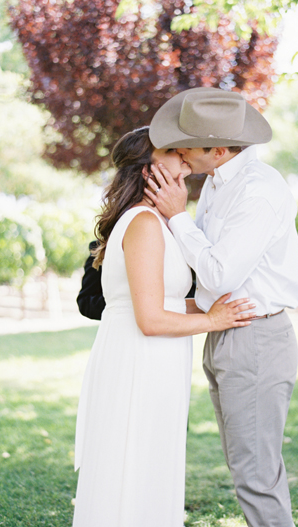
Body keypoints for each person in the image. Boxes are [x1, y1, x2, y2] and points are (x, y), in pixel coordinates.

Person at [71, 126, 255, 527]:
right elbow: (150, 318)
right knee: (133, 467)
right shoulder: (144, 224)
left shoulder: (158, 222)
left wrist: (206, 305)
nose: (185, 154)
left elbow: (163, 300)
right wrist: (212, 320)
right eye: (173, 150)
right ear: (149, 169)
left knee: (151, 463)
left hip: (156, 361)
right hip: (139, 361)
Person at [146, 87, 298, 527]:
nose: (179, 152)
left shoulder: (258, 191)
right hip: (224, 333)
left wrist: (177, 215)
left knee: (255, 475)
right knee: (247, 468)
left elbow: (219, 274)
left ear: (217, 149)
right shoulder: (218, 183)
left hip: (254, 337)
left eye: (186, 145)